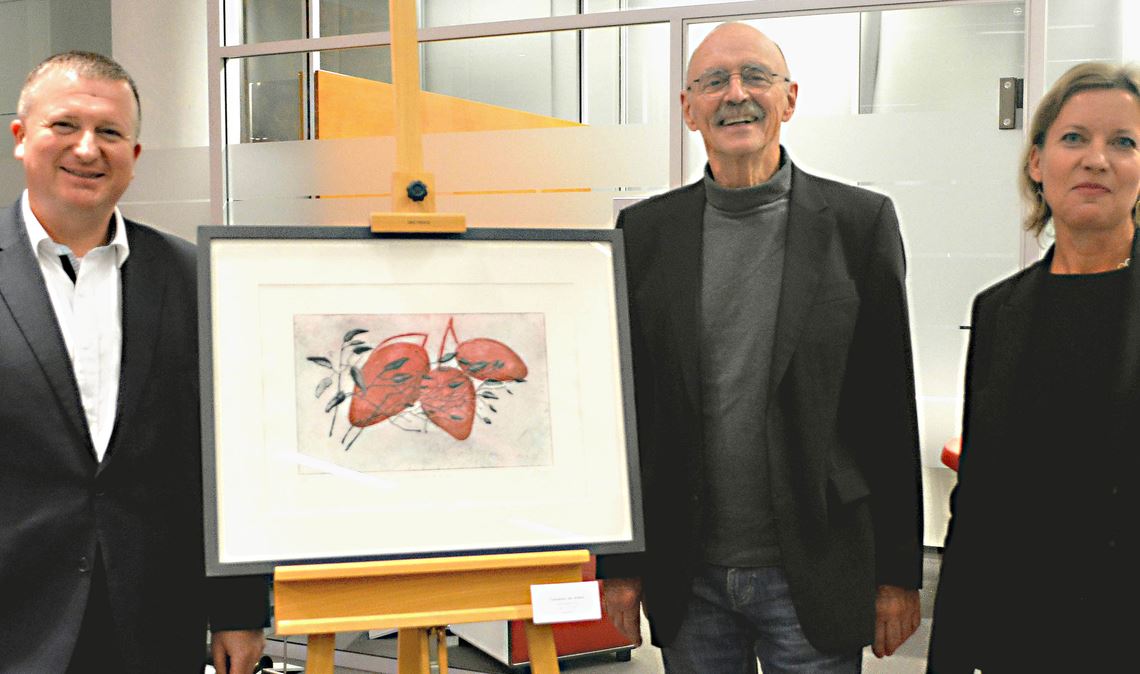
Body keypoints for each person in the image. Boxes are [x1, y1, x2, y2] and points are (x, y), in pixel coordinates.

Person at [598, 22, 923, 673]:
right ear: (688, 109)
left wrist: (897, 574)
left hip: (814, 564)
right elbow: (625, 413)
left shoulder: (861, 225)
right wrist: (619, 568)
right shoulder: (645, 234)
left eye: (755, 77)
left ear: (790, 99)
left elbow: (889, 405)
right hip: (688, 573)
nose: (734, 94)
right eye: (712, 82)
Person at [0, 51, 268, 673]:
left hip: (152, 620)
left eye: (111, 132)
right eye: (64, 126)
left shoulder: (193, 278)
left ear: (136, 155)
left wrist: (238, 609)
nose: (88, 149)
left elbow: (227, 455)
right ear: (21, 138)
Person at [927, 62, 1140, 673]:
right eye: (1074, 137)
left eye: (1123, 141)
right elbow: (979, 501)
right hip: (1015, 636)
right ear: (1037, 163)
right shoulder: (999, 311)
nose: (1096, 159)